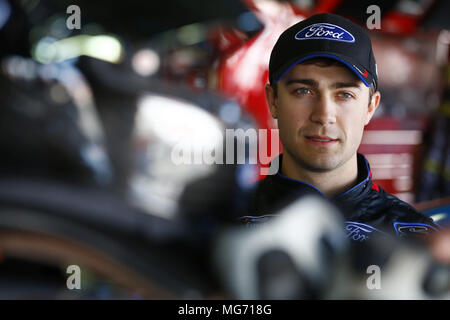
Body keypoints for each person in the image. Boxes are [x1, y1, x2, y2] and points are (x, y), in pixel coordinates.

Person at [242, 13, 439, 242]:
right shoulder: (221, 222)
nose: (324, 115)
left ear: (370, 107)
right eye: (303, 91)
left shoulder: (416, 239)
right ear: (273, 100)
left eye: (344, 94)